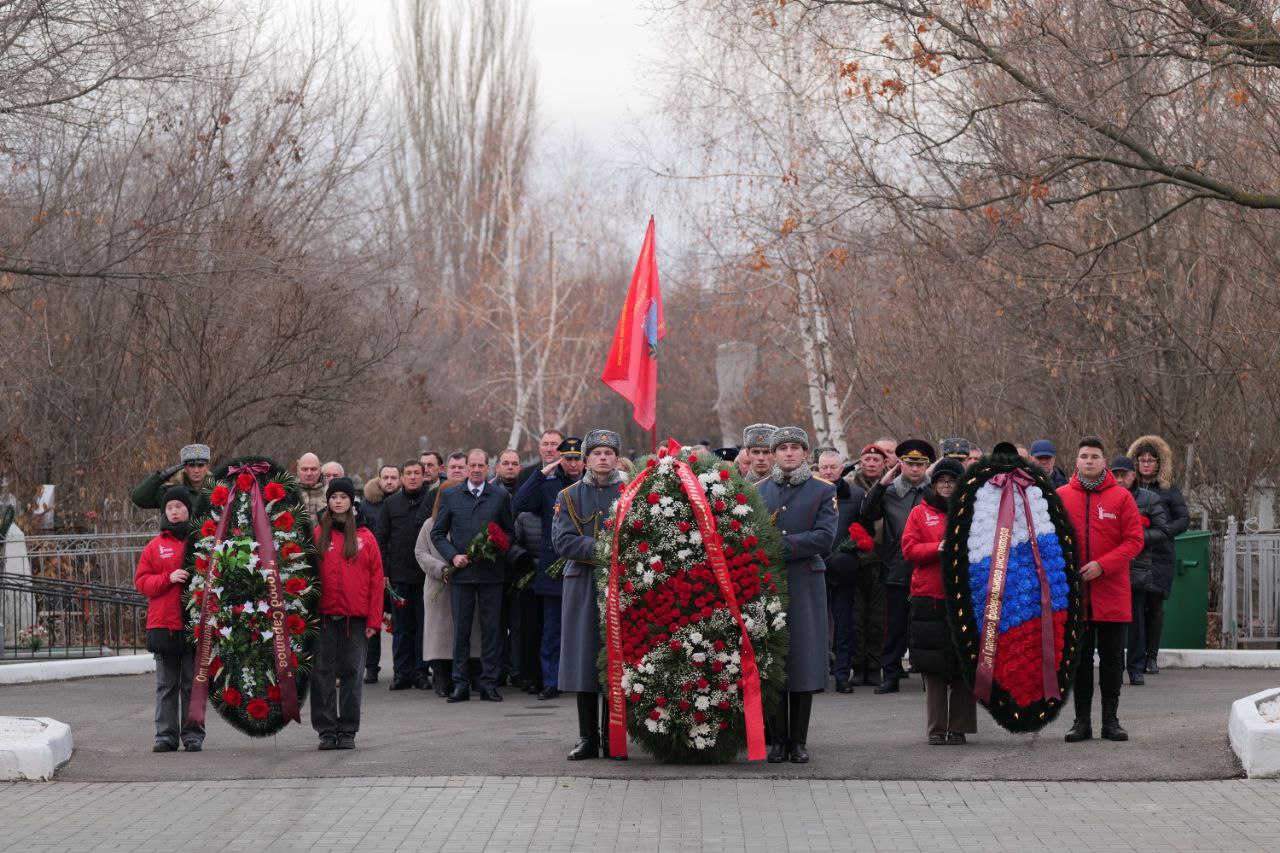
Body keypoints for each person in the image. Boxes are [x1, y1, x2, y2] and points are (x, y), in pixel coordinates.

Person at [756, 426, 838, 763]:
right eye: (783, 448)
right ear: (774, 454)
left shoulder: (823, 489)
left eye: (795, 447)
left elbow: (825, 537)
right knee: (774, 658)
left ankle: (799, 741)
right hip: (769, 582)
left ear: (806, 453)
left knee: (803, 659)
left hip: (805, 581)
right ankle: (777, 740)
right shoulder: (759, 490)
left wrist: (778, 545)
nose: (789, 452)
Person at [1058, 437, 1145, 742]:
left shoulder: (1121, 498)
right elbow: (1049, 540)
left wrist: (1102, 565)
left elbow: (1134, 540)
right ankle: (1081, 722)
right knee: (1080, 661)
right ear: (1076, 461)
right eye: (1084, 456)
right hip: (1076, 596)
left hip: (1112, 593)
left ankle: (1111, 720)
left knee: (1111, 660)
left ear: (1104, 462)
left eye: (1095, 456)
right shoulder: (1060, 496)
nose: (1089, 461)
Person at [552, 429, 626, 760]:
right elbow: (562, 540)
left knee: (615, 658)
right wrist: (604, 549)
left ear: (617, 458)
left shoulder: (629, 492)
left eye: (609, 453)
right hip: (582, 582)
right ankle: (588, 737)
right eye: (596, 453)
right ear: (585, 460)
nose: (603, 458)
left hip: (621, 582)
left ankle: (613, 737)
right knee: (584, 659)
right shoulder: (569, 495)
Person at [900, 459, 977, 745]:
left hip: (964, 597)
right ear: (933, 484)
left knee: (963, 665)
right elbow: (909, 550)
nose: (946, 485)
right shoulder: (919, 513)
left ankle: (959, 728)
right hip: (929, 597)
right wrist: (937, 548)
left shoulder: (974, 512)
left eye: (952, 481)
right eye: (942, 481)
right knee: (933, 668)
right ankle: (936, 728)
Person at [432, 449, 516, 702]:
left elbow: (510, 533)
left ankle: (489, 683)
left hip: (491, 574)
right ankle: (461, 683)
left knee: (491, 631)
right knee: (461, 631)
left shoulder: (499, 496)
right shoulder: (451, 495)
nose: (477, 469)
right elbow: (438, 534)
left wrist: (495, 546)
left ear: (488, 468)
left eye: (481, 465)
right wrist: (453, 556)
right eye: (473, 465)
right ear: (467, 467)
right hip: (462, 574)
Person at [311, 478, 383, 750]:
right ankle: (326, 730)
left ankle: (348, 730)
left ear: (351, 501)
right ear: (328, 501)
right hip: (324, 617)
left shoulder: (366, 537)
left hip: (356, 619)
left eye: (343, 497)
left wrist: (374, 620)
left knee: (352, 673)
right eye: (334, 497)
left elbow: (376, 580)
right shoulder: (317, 535)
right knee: (322, 673)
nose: (338, 501)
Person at [512, 437, 585, 700]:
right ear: (560, 460)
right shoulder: (549, 485)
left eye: (577, 459)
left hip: (585, 565)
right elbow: (520, 504)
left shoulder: (590, 486)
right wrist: (541, 474)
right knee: (552, 630)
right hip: (554, 568)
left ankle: (583, 681)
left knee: (583, 629)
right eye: (568, 458)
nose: (573, 464)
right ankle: (551, 681)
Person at [861, 438, 935, 694]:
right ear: (900, 464)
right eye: (909, 464)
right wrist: (882, 484)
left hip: (928, 567)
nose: (914, 469)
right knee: (894, 626)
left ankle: (929, 676)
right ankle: (890, 675)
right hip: (896, 567)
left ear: (926, 466)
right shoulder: (890, 491)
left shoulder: (933, 492)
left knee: (926, 625)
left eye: (920, 464)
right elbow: (867, 513)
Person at [134, 486, 204, 752]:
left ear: (188, 510)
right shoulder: (155, 547)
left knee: (192, 685)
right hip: (164, 625)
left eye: (179, 507)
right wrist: (168, 578)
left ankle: (193, 735)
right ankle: (165, 736)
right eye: (170, 508)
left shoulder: (201, 543)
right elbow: (142, 583)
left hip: (193, 625)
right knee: (166, 685)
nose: (174, 512)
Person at [1126, 434, 1191, 675]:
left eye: (1150, 460)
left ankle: (1151, 657)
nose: (1146, 464)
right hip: (1134, 555)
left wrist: (1163, 532)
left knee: (1154, 605)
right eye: (1142, 460)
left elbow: (1183, 519)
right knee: (1135, 606)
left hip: (1160, 555)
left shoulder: (1168, 489)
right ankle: (1136, 656)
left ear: (1158, 463)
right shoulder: (1128, 489)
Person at [1109, 456, 1171, 685]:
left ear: (1133, 475)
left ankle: (1136, 668)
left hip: (1137, 568)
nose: (1119, 479)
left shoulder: (1149, 499)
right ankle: (1114, 668)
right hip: (1110, 568)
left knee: (1136, 621)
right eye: (1115, 474)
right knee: (1111, 623)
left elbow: (1163, 531)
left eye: (1124, 474)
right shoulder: (1103, 498)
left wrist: (1134, 538)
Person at [374, 459, 434, 690]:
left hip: (425, 575)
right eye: (408, 473)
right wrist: (385, 571)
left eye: (417, 473)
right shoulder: (391, 504)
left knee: (423, 626)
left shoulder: (431, 500)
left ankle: (421, 672)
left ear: (424, 475)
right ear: (401, 477)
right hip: (398, 576)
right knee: (401, 627)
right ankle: (401, 673)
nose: (413, 477)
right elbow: (381, 538)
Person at [418, 462, 473, 697]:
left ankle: (464, 677)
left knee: (464, 633)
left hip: (465, 583)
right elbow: (421, 552)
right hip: (439, 585)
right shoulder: (429, 524)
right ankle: (441, 678)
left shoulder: (468, 520)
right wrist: (442, 569)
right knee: (439, 636)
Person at [816, 449, 866, 694]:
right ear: (817, 468)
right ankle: (816, 675)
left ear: (842, 468)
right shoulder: (811, 491)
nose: (828, 471)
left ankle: (843, 675)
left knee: (844, 626)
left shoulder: (856, 495)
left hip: (843, 569)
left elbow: (864, 530)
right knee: (816, 626)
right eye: (824, 467)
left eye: (832, 467)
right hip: (815, 568)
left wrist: (849, 552)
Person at [849, 444, 888, 686]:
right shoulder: (850, 488)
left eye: (876, 460)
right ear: (860, 462)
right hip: (855, 560)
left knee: (877, 617)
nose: (871, 464)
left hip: (881, 559)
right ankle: (858, 665)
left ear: (884, 464)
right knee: (856, 617)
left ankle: (874, 665)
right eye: (867, 459)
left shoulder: (891, 488)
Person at [357, 464, 400, 683]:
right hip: (372, 571)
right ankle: (371, 667)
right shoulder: (367, 505)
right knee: (372, 620)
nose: (390, 481)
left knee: (400, 622)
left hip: (398, 570)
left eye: (394, 477)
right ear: (379, 479)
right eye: (386, 477)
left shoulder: (404, 502)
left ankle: (402, 668)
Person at [131, 444, 213, 510]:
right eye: (191, 466)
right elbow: (138, 498)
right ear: (184, 468)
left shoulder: (216, 490)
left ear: (207, 467)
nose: (196, 470)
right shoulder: (170, 491)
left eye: (200, 465)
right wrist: (162, 477)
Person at [296, 453, 327, 520]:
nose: (309, 473)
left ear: (320, 470)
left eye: (313, 469)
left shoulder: (329, 494)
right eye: (305, 469)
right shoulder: (288, 493)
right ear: (298, 470)